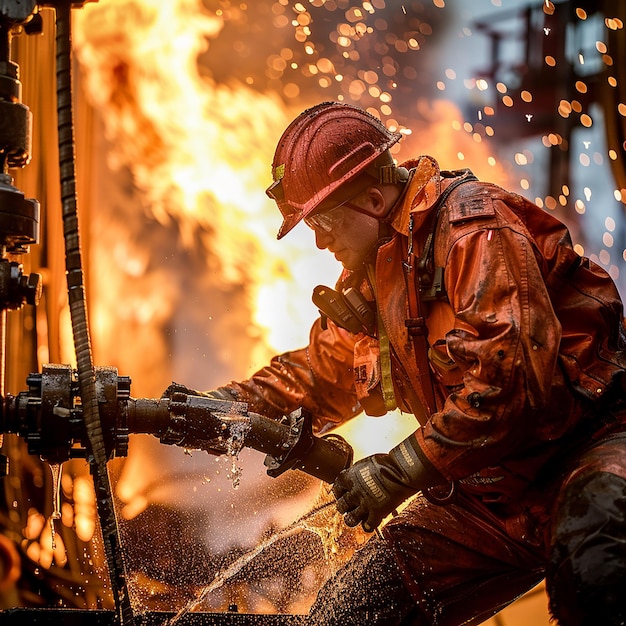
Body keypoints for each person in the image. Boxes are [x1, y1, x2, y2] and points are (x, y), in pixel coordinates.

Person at [197, 101, 626, 625]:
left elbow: (511, 379)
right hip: (489, 494)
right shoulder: (377, 277)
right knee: (350, 611)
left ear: (375, 199)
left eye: (324, 220)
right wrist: (221, 408)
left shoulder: (475, 229)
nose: (319, 238)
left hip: (588, 450)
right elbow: (321, 375)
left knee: (597, 562)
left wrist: (401, 469)